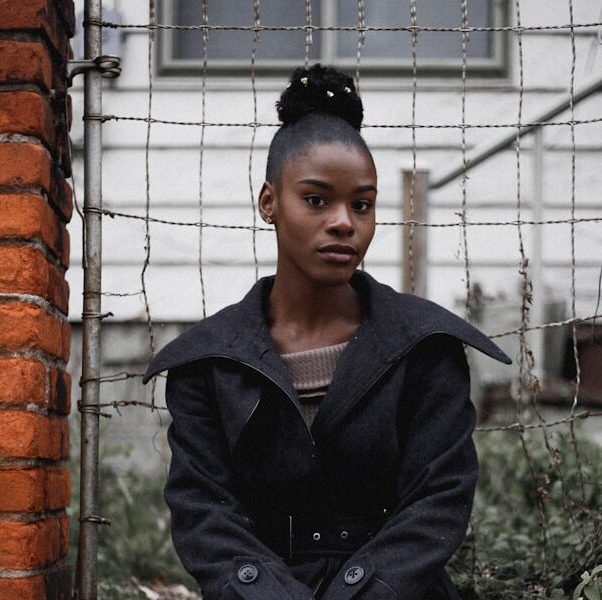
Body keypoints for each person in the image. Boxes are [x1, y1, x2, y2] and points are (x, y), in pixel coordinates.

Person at [143, 64, 511, 600]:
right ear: (269, 202)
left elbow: (437, 502)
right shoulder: (210, 364)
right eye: (317, 200)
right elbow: (206, 519)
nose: (344, 222)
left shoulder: (425, 347)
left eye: (361, 204)